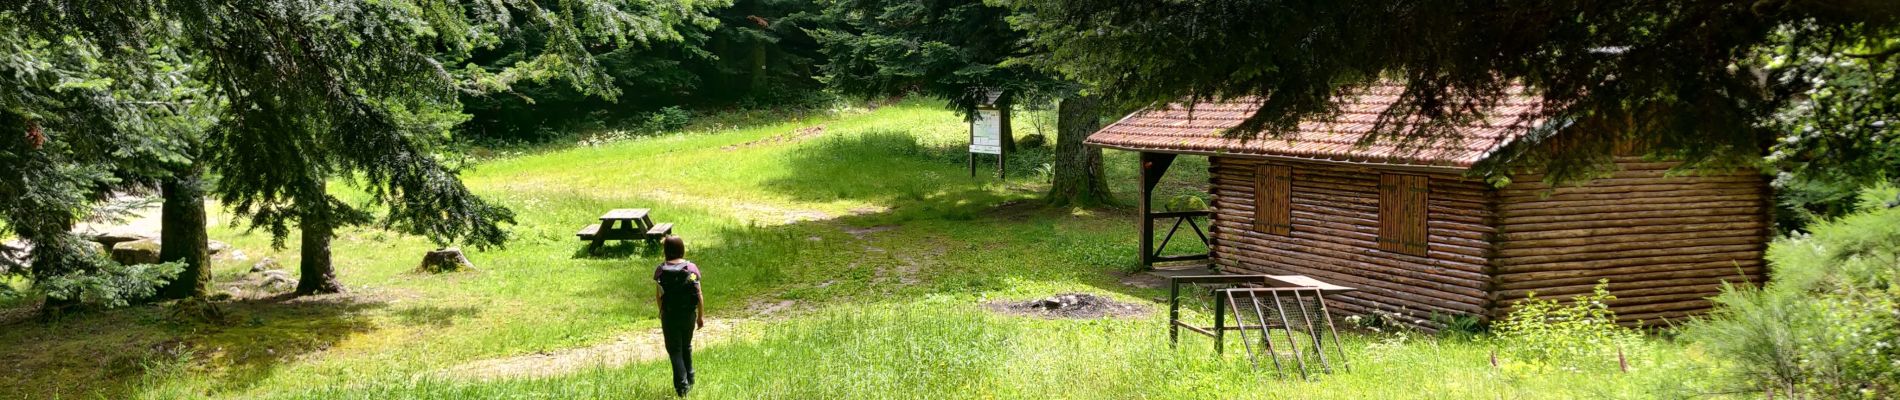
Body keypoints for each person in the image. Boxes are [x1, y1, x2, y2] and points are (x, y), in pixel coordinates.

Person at [653, 235, 704, 396]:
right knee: (686, 346)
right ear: (682, 249)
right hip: (688, 314)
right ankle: (690, 379)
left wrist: (662, 313)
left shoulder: (660, 270)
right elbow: (699, 294)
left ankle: (682, 389)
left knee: (675, 351)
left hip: (670, 315)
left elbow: (658, 296)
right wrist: (700, 316)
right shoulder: (691, 269)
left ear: (666, 251)